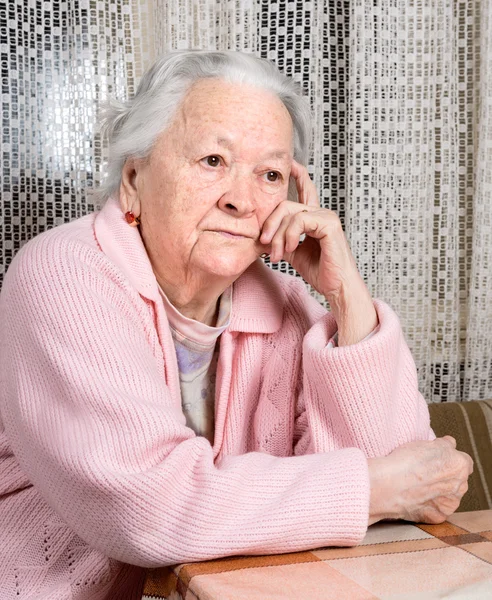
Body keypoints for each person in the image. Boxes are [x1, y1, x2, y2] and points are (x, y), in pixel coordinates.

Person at [0, 50, 472, 599]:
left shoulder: (285, 303)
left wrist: (347, 300)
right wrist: (377, 487)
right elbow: (149, 509)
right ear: (134, 179)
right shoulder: (64, 274)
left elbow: (407, 490)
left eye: (270, 174)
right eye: (213, 161)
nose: (240, 200)